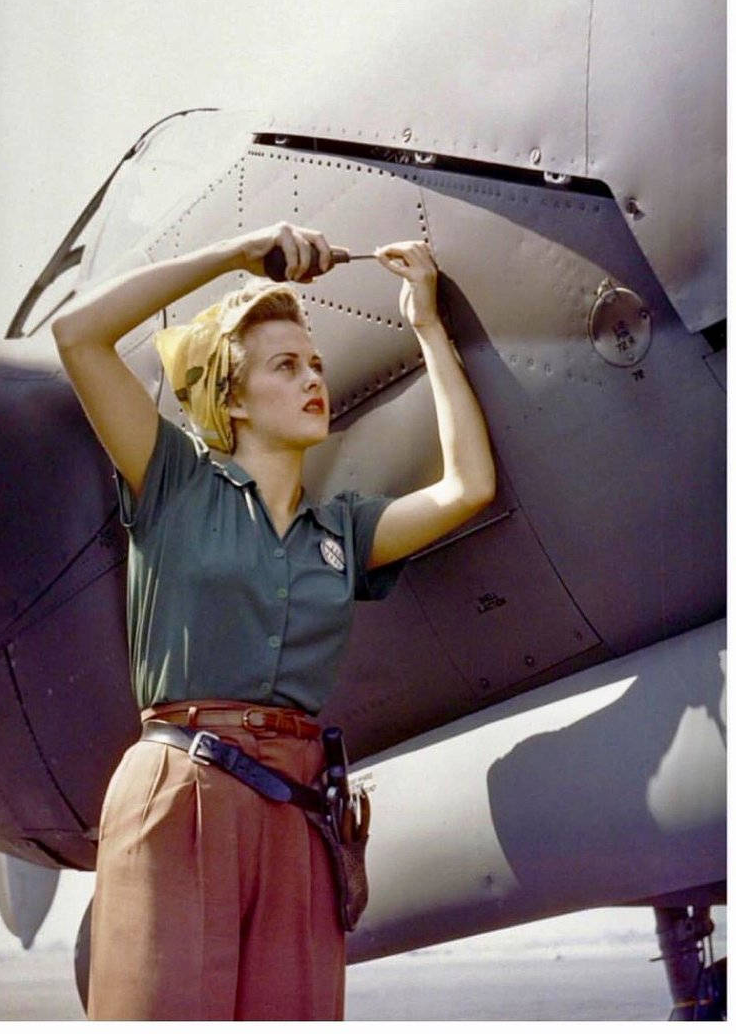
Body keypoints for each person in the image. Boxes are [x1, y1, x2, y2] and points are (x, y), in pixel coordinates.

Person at [52, 221, 496, 1020]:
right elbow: (78, 335)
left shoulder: (342, 533)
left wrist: (426, 325)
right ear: (231, 396)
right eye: (285, 367)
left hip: (299, 812)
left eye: (316, 364)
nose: (312, 379)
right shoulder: (173, 480)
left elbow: (467, 487)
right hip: (183, 788)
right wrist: (232, 254)